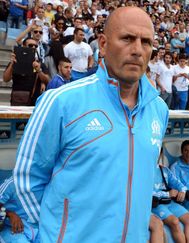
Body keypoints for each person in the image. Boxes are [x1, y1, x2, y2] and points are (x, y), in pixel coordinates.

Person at [13, 7, 169, 242]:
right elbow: (27, 180)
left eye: (146, 42)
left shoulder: (159, 110)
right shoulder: (61, 101)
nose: (137, 50)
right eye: (127, 38)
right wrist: (59, 234)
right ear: (103, 45)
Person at [153, 161, 189, 243]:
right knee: (174, 222)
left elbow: (178, 184)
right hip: (156, 204)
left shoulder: (164, 169)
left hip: (169, 201)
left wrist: (182, 191)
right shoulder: (143, 171)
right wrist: (167, 194)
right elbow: (144, 193)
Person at [3, 37, 50, 106]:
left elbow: (47, 80)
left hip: (35, 100)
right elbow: (6, 79)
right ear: (24, 46)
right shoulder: (16, 61)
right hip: (18, 100)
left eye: (36, 46)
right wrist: (12, 64)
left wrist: (39, 71)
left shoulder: (39, 63)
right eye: (30, 45)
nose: (33, 47)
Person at [0, 177, 39, 242]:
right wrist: (10, 214)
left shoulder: (45, 182)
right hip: (11, 230)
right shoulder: (11, 184)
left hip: (36, 229)